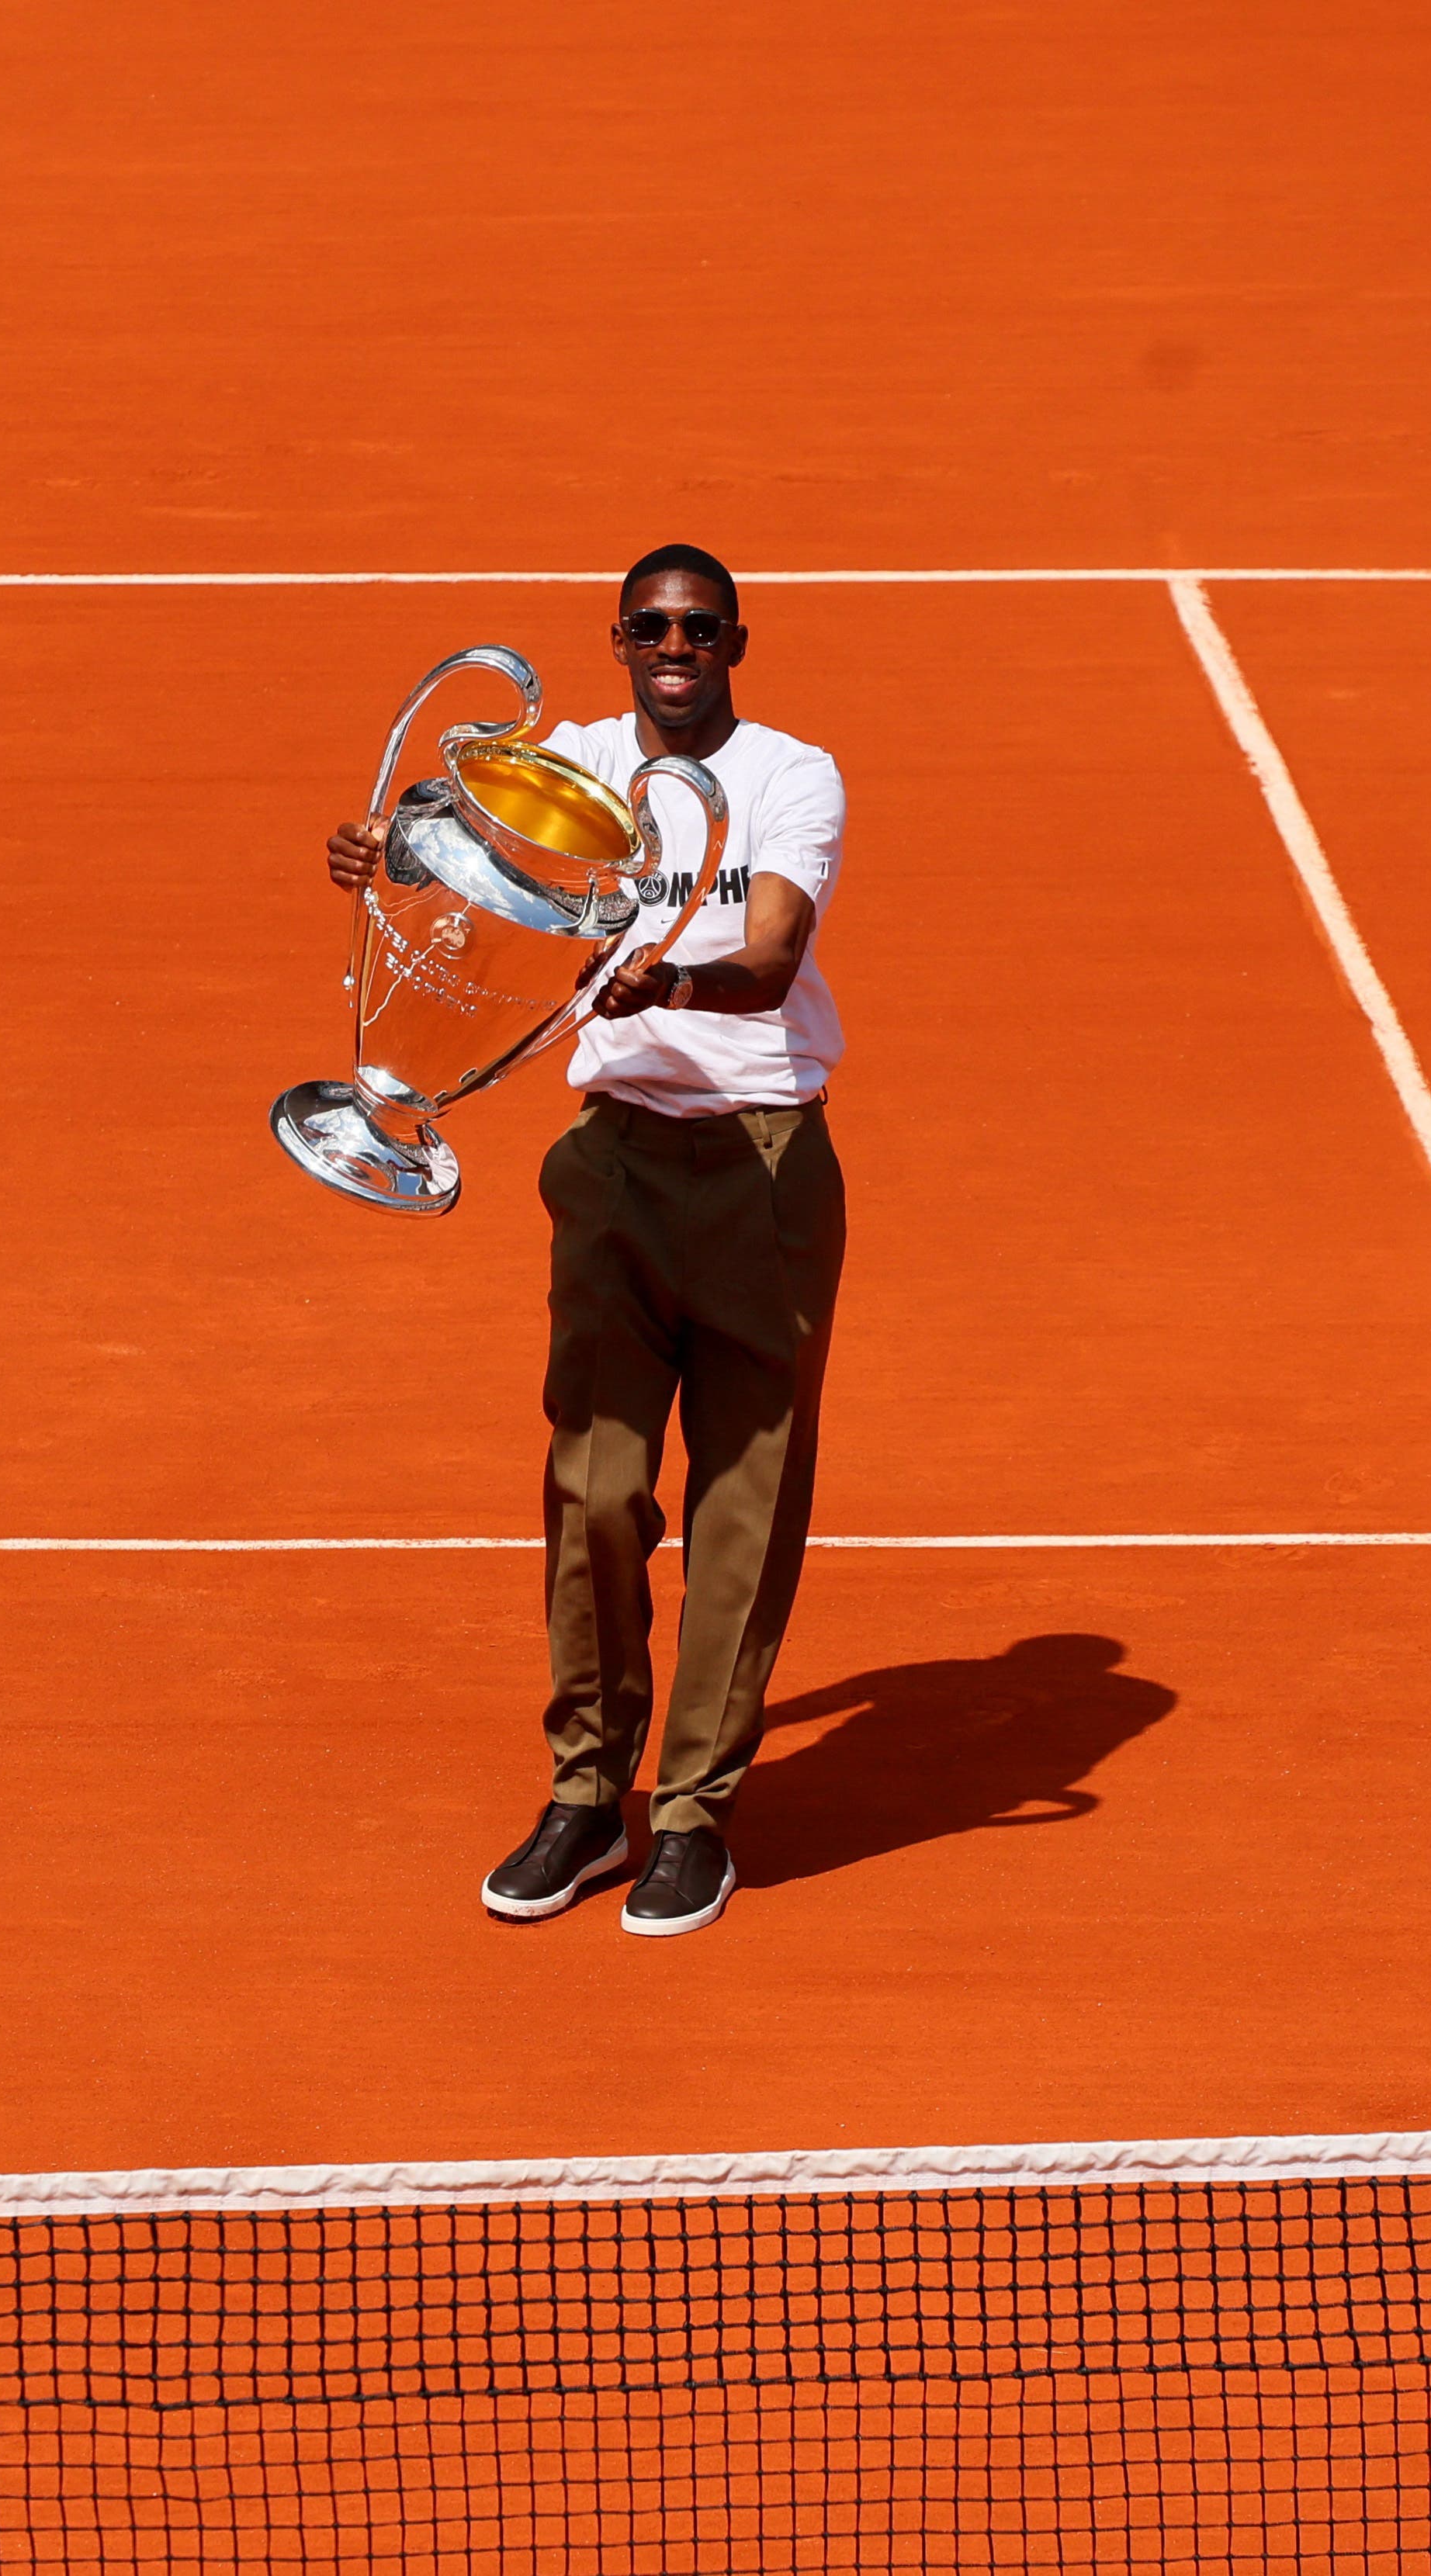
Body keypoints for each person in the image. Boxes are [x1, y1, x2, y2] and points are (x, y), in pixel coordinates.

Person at [323, 542, 850, 1937]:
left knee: (742, 1507)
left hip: (761, 1166)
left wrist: (669, 974)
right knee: (596, 1492)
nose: (674, 647)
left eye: (699, 628)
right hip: (610, 1164)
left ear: (735, 641)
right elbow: (469, 875)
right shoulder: (568, 766)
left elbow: (775, 956)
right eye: (649, 627)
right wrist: (391, 856)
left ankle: (691, 1816)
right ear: (618, 641)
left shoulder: (791, 777)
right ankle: (585, 1793)